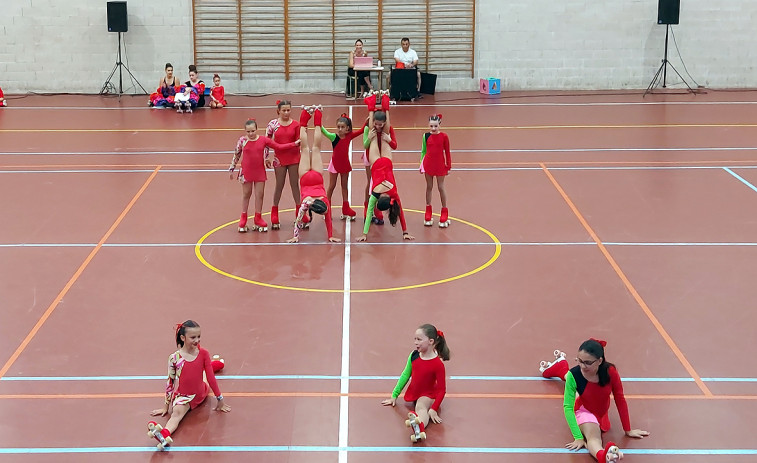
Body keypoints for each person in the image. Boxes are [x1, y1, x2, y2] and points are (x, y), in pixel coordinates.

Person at [541, 339, 649, 462]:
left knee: (577, 388)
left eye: (587, 362)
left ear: (599, 361)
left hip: (600, 412)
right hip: (583, 410)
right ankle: (604, 456)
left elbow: (619, 398)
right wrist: (578, 437)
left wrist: (628, 429)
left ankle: (560, 368)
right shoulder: (574, 374)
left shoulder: (611, 372)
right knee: (594, 438)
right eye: (579, 361)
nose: (582, 365)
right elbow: (568, 407)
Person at [148, 320, 230, 448]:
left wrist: (220, 399)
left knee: (205, 375)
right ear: (183, 337)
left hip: (200, 391)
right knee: (176, 414)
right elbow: (170, 381)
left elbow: (211, 378)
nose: (197, 340)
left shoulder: (203, 353)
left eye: (199, 336)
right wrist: (166, 406)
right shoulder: (174, 358)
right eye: (193, 337)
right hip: (184, 397)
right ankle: (164, 434)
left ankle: (215, 364)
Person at [357, 92, 414, 242]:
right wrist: (364, 233)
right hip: (377, 163)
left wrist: (405, 231)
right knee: (376, 135)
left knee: (376, 135)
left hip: (386, 162)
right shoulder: (375, 193)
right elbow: (370, 213)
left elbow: (399, 213)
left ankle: (385, 106)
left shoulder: (393, 194)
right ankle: (373, 107)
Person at [382, 324, 450, 443]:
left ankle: (420, 426)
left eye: (419, 339)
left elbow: (441, 390)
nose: (415, 342)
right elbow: (405, 375)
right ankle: (417, 423)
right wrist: (394, 395)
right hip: (415, 392)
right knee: (418, 405)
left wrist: (433, 408)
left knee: (421, 407)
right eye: (415, 339)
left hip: (427, 394)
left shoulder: (437, 364)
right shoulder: (414, 356)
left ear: (430, 341)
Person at [229, 119, 300, 232]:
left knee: (260, 194)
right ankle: (243, 218)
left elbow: (278, 146)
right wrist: (232, 168)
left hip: (259, 171)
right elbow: (236, 154)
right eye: (248, 132)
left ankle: (258, 217)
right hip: (246, 171)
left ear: (256, 130)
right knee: (247, 194)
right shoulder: (242, 141)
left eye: (252, 131)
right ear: (245, 131)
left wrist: (293, 144)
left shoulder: (263, 140)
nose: (251, 134)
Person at [287, 106, 341, 244]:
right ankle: (305, 117)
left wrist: (330, 235)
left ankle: (317, 114)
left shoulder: (325, 202)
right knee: (305, 148)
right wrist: (296, 236)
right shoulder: (306, 203)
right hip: (305, 177)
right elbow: (298, 220)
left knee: (316, 147)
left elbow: (328, 220)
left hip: (317, 176)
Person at [319, 111, 365, 221]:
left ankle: (346, 208)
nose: (340, 129)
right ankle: (327, 209)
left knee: (344, 186)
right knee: (331, 186)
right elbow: (323, 131)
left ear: (348, 129)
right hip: (335, 164)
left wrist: (367, 121)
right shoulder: (334, 137)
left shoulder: (349, 136)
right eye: (338, 127)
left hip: (345, 164)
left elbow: (362, 131)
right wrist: (318, 119)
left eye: (342, 127)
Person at [361, 92, 397, 225]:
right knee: (370, 183)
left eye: (381, 124)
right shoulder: (369, 129)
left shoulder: (388, 129)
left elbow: (394, 145)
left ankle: (377, 210)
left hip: (382, 158)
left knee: (377, 186)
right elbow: (365, 145)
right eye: (376, 124)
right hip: (370, 155)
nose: (378, 126)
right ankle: (367, 209)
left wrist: (389, 140)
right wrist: (370, 138)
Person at [266, 100, 301, 230]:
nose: (286, 113)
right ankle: (274, 212)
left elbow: (299, 142)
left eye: (288, 110)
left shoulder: (296, 124)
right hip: (279, 159)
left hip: (294, 158)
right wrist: (266, 157)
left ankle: (299, 212)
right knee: (279, 185)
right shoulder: (272, 125)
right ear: (278, 111)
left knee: (294, 185)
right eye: (284, 110)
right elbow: (267, 141)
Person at [420, 114, 452, 227]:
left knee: (440, 187)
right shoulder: (426, 136)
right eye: (431, 126)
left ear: (439, 125)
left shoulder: (444, 137)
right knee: (429, 187)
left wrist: (449, 166)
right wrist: (421, 164)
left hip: (440, 165)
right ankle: (428, 210)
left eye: (435, 126)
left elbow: (447, 152)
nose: (433, 129)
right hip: (428, 164)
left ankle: (444, 211)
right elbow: (423, 151)